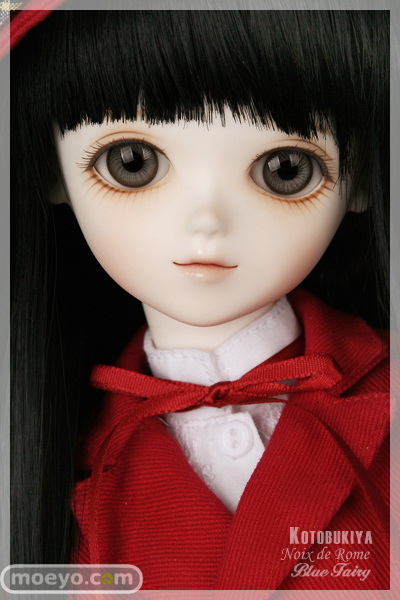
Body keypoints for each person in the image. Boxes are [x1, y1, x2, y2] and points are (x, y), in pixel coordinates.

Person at [10, 8, 389, 590]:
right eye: (133, 164)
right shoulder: (52, 457)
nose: (206, 222)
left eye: (286, 170)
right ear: (50, 166)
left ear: (360, 177)